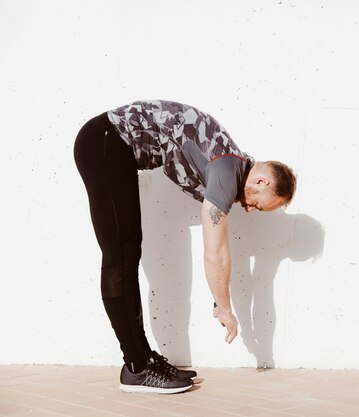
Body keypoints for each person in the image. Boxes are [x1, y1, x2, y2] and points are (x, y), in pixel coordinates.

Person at [73, 100, 296, 394]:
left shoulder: (230, 163)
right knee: (120, 257)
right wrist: (225, 309)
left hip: (112, 145)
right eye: (258, 204)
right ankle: (137, 368)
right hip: (105, 141)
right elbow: (215, 251)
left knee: (128, 252)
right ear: (262, 180)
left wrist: (221, 302)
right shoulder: (227, 171)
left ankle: (143, 360)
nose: (251, 210)